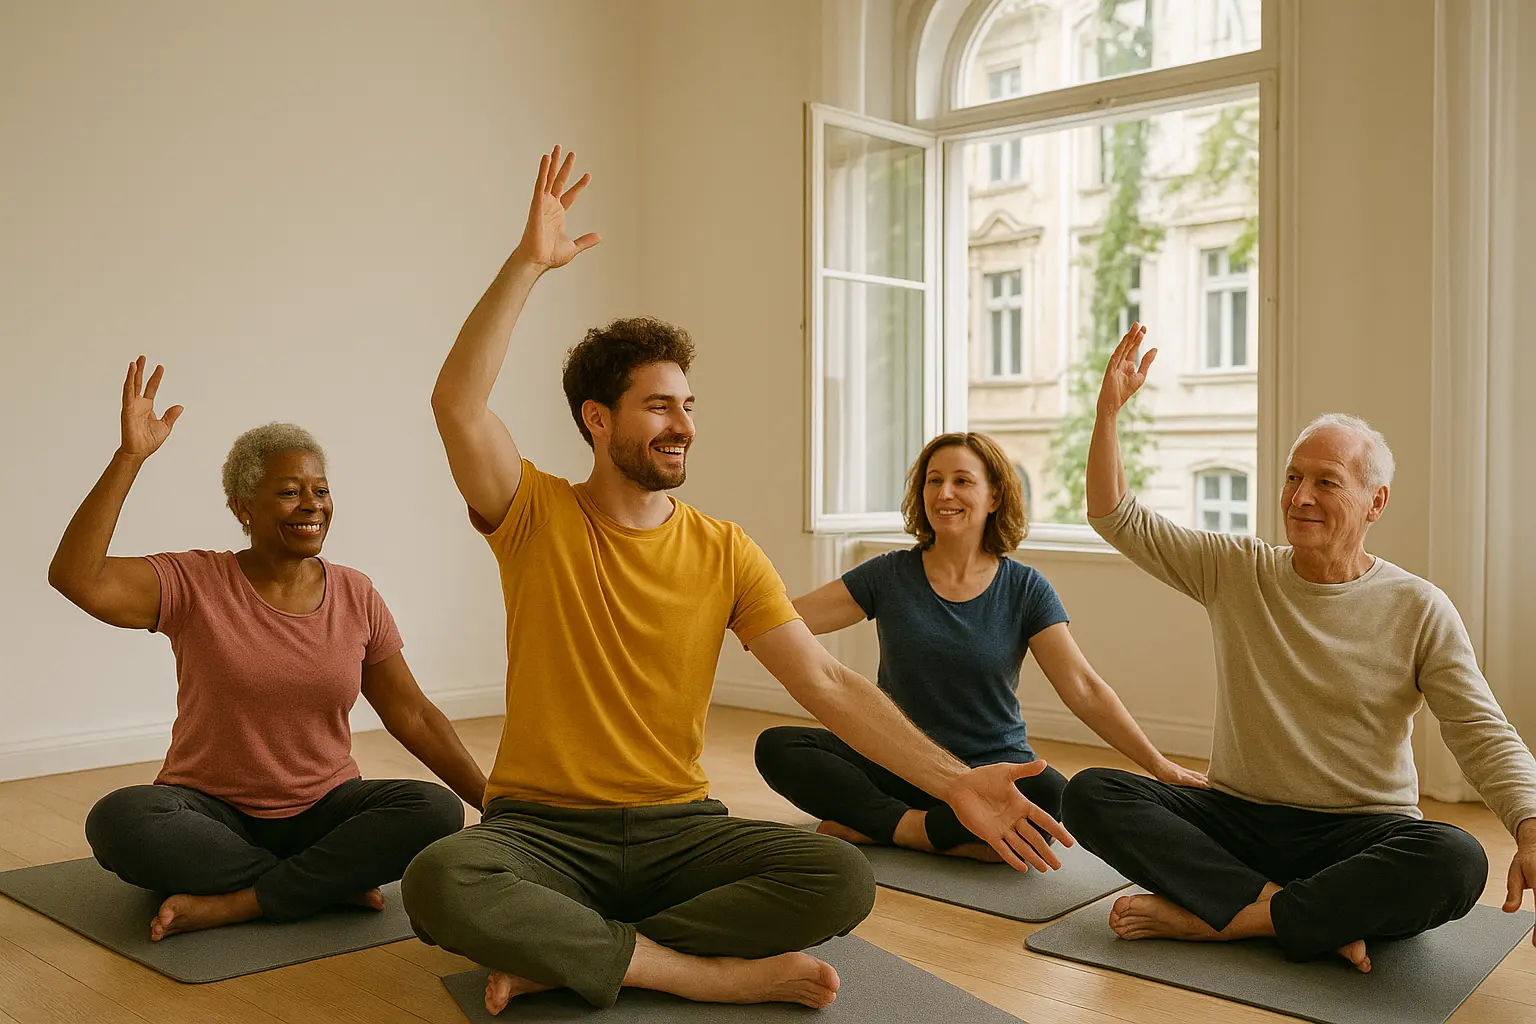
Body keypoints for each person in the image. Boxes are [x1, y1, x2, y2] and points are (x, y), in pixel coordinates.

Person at [400, 146, 1074, 1016]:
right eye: (659, 406)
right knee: (439, 878)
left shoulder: (724, 549)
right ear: (597, 421)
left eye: (688, 405)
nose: (683, 424)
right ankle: (687, 969)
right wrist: (529, 262)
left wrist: (954, 782)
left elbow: (827, 680)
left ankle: (579, 950)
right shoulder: (532, 512)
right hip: (543, 828)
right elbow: (456, 404)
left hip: (680, 828)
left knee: (836, 876)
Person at [1060, 322, 1536, 971]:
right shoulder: (1237, 569)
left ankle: (1232, 919)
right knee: (1091, 792)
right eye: (1292, 477)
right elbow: (1117, 518)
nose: (1301, 497)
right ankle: (1303, 914)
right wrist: (1108, 412)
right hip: (1238, 820)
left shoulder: (1418, 606)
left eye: (1328, 482)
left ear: (1376, 502)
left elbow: (1481, 731)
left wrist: (1529, 824)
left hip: (1360, 832)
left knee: (1457, 860)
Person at [48, 358, 486, 940]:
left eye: (321, 490)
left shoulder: (356, 593)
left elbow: (412, 713)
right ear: (243, 508)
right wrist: (129, 457)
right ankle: (318, 884)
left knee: (433, 811)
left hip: (325, 812)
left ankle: (243, 900)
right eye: (288, 492)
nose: (313, 504)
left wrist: (495, 800)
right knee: (121, 821)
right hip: (209, 812)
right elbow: (78, 577)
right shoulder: (195, 582)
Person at [755, 431, 1206, 862]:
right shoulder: (888, 575)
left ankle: (880, 825)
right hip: (899, 762)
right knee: (779, 746)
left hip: (991, 769)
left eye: (962, 481)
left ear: (994, 497)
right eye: (934, 480)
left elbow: (1083, 688)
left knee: (1054, 796)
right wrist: (726, 594)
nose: (944, 493)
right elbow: (781, 619)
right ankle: (922, 833)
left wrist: (1159, 764)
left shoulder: (1026, 588)